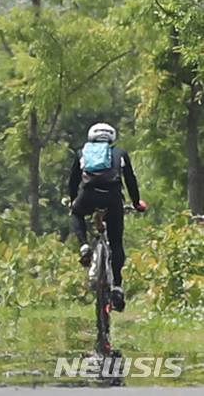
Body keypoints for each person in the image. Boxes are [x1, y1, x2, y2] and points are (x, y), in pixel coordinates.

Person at [68, 122, 146, 312]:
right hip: (112, 198)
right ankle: (117, 287)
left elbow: (73, 181)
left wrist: (73, 200)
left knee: (76, 213)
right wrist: (136, 202)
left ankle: (84, 245)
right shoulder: (119, 153)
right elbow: (130, 180)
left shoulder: (82, 153)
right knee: (116, 242)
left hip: (88, 195)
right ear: (111, 138)